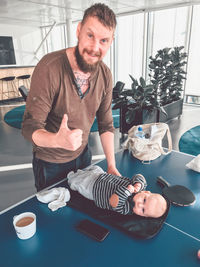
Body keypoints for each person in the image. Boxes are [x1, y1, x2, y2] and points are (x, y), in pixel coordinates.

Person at [22, 3, 120, 191]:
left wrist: (111, 165)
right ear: (79, 30)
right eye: (90, 35)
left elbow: (106, 123)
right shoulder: (50, 67)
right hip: (50, 164)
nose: (94, 47)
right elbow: (29, 127)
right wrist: (57, 141)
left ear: (111, 41)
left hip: (84, 157)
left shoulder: (105, 75)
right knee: (53, 218)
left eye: (103, 40)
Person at [67, 165, 167, 218]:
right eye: (144, 200)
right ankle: (87, 171)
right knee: (95, 169)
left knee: (74, 181)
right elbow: (139, 176)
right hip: (103, 176)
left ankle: (71, 177)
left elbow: (113, 201)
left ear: (143, 216)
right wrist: (139, 184)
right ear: (146, 192)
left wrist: (127, 191)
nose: (139, 205)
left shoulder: (126, 209)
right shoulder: (140, 188)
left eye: (143, 210)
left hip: (93, 189)